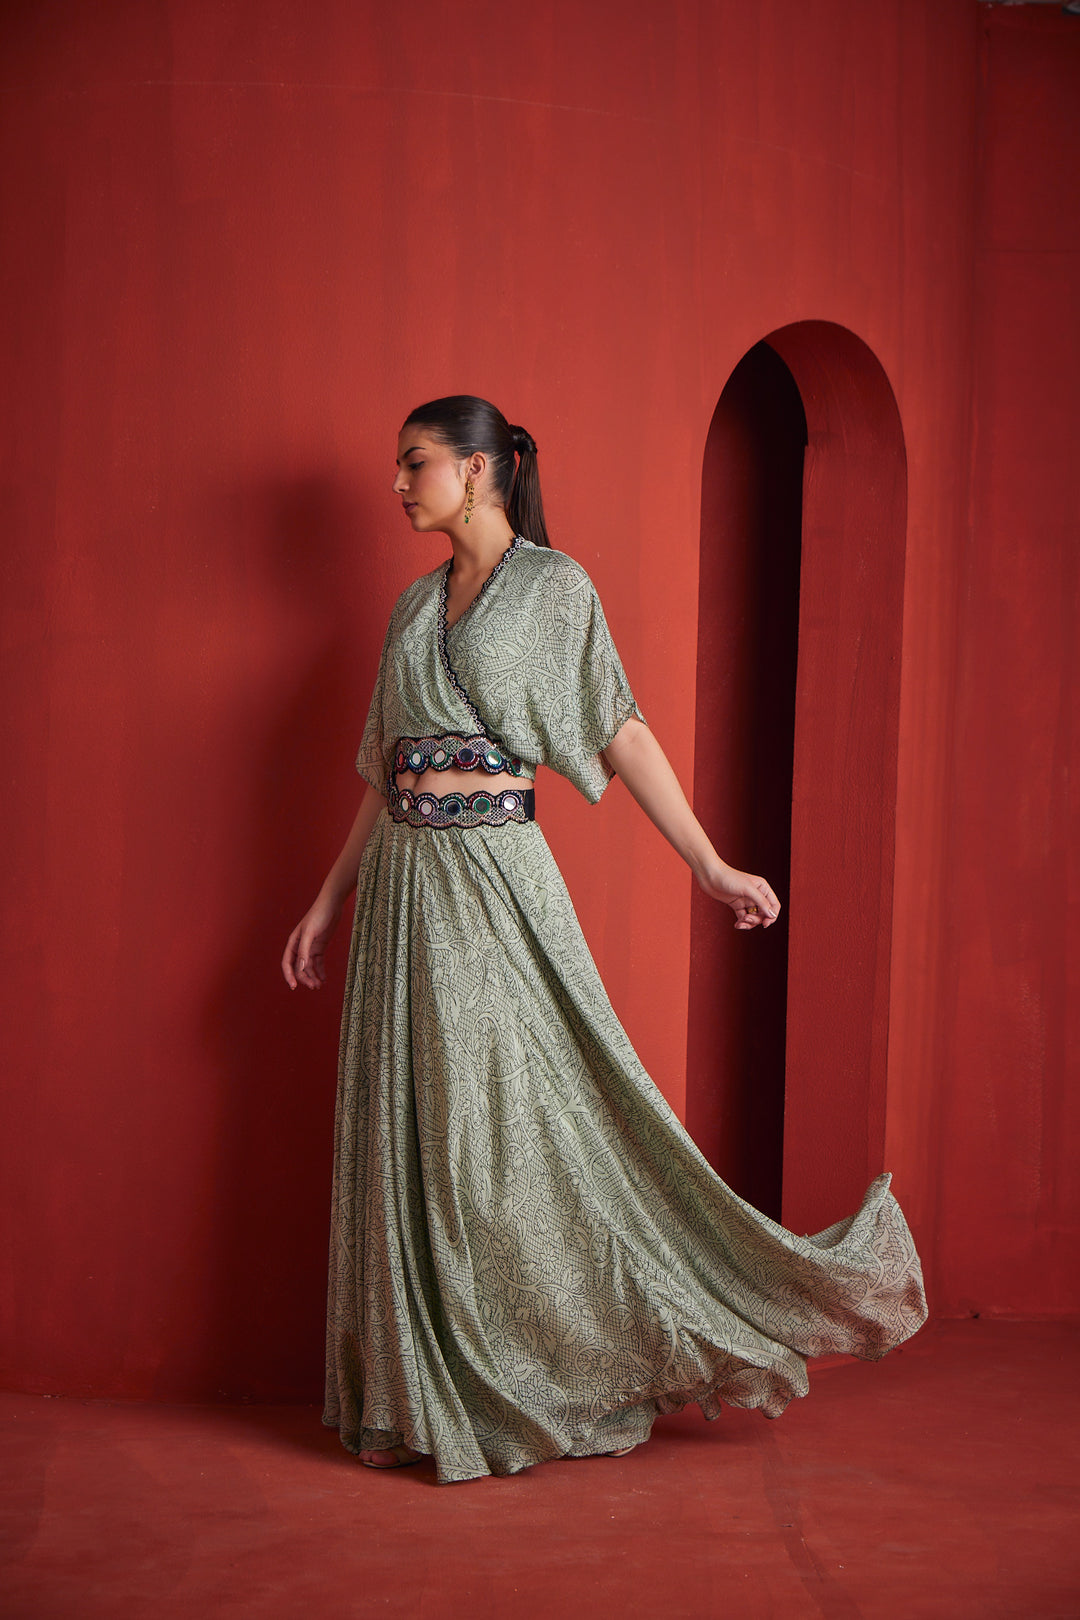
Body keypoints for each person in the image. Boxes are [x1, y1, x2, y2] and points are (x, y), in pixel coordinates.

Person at [282, 395, 926, 1485]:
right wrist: (326, 900)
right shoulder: (410, 607)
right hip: (403, 891)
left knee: (498, 1129)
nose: (397, 484)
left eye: (415, 463)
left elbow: (620, 729)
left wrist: (710, 865)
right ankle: (423, 1393)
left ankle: (534, 1370)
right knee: (417, 1127)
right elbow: (383, 770)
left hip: (495, 884)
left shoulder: (554, 588)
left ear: (478, 470)